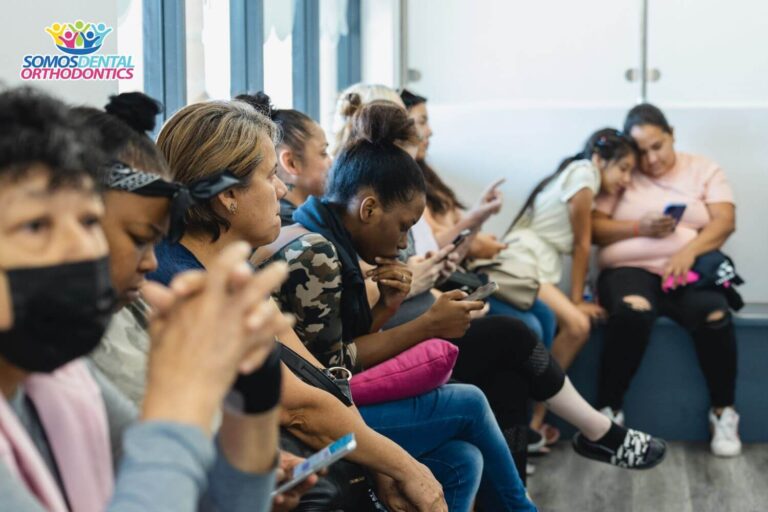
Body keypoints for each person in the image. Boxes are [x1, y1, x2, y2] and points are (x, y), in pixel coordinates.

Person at [266, 100, 666, 496]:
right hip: (317, 418)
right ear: (369, 209)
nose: (404, 242)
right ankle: (569, 461)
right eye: (403, 227)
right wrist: (426, 327)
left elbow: (335, 344)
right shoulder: (318, 251)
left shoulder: (334, 232)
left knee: (472, 443)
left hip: (336, 392)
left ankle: (568, 456)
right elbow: (330, 371)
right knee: (490, 371)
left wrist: (388, 305)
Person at [146, 98, 453, 512]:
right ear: (229, 196)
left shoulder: (226, 268)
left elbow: (318, 380)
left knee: (456, 461)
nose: (281, 188)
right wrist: (404, 468)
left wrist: (379, 462)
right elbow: (297, 408)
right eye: (270, 174)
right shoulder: (186, 284)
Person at [0, 86, 287, 512]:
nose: (84, 248)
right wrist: (180, 398)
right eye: (36, 226)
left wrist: (253, 391)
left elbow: (216, 504)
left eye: (88, 221)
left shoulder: (61, 382)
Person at [80, 92, 316, 510]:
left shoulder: (73, 363)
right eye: (36, 230)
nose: (150, 260)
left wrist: (253, 403)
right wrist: (185, 395)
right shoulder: (158, 293)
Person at [592, 103, 741, 457]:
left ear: (671, 134)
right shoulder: (625, 171)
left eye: (657, 146)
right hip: (630, 271)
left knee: (716, 315)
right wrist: (637, 226)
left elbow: (724, 221)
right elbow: (593, 227)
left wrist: (688, 252)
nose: (651, 159)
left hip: (682, 269)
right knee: (632, 311)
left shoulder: (703, 168)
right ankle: (607, 413)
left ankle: (724, 412)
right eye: (641, 151)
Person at [399, 89, 557, 354]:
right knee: (532, 325)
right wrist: (478, 217)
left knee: (546, 317)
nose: (430, 131)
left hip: (462, 271)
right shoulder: (406, 183)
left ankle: (541, 394)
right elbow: (436, 246)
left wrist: (479, 221)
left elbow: (460, 235)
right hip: (450, 279)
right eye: (422, 121)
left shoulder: (428, 175)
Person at [501, 129, 637, 432]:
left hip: (533, 261)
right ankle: (532, 423)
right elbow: (581, 244)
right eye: (624, 168)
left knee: (574, 325)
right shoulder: (584, 173)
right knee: (577, 325)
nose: (626, 180)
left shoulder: (576, 174)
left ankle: (532, 421)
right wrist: (577, 302)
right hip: (522, 260)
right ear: (600, 159)